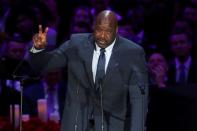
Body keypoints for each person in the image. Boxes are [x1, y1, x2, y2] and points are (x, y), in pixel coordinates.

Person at [29, 10, 148, 131]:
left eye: (108, 31)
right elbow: (44, 64)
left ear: (116, 31)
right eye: (99, 29)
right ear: (93, 27)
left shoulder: (133, 52)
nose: (102, 35)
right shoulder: (75, 44)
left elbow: (139, 98)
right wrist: (37, 49)